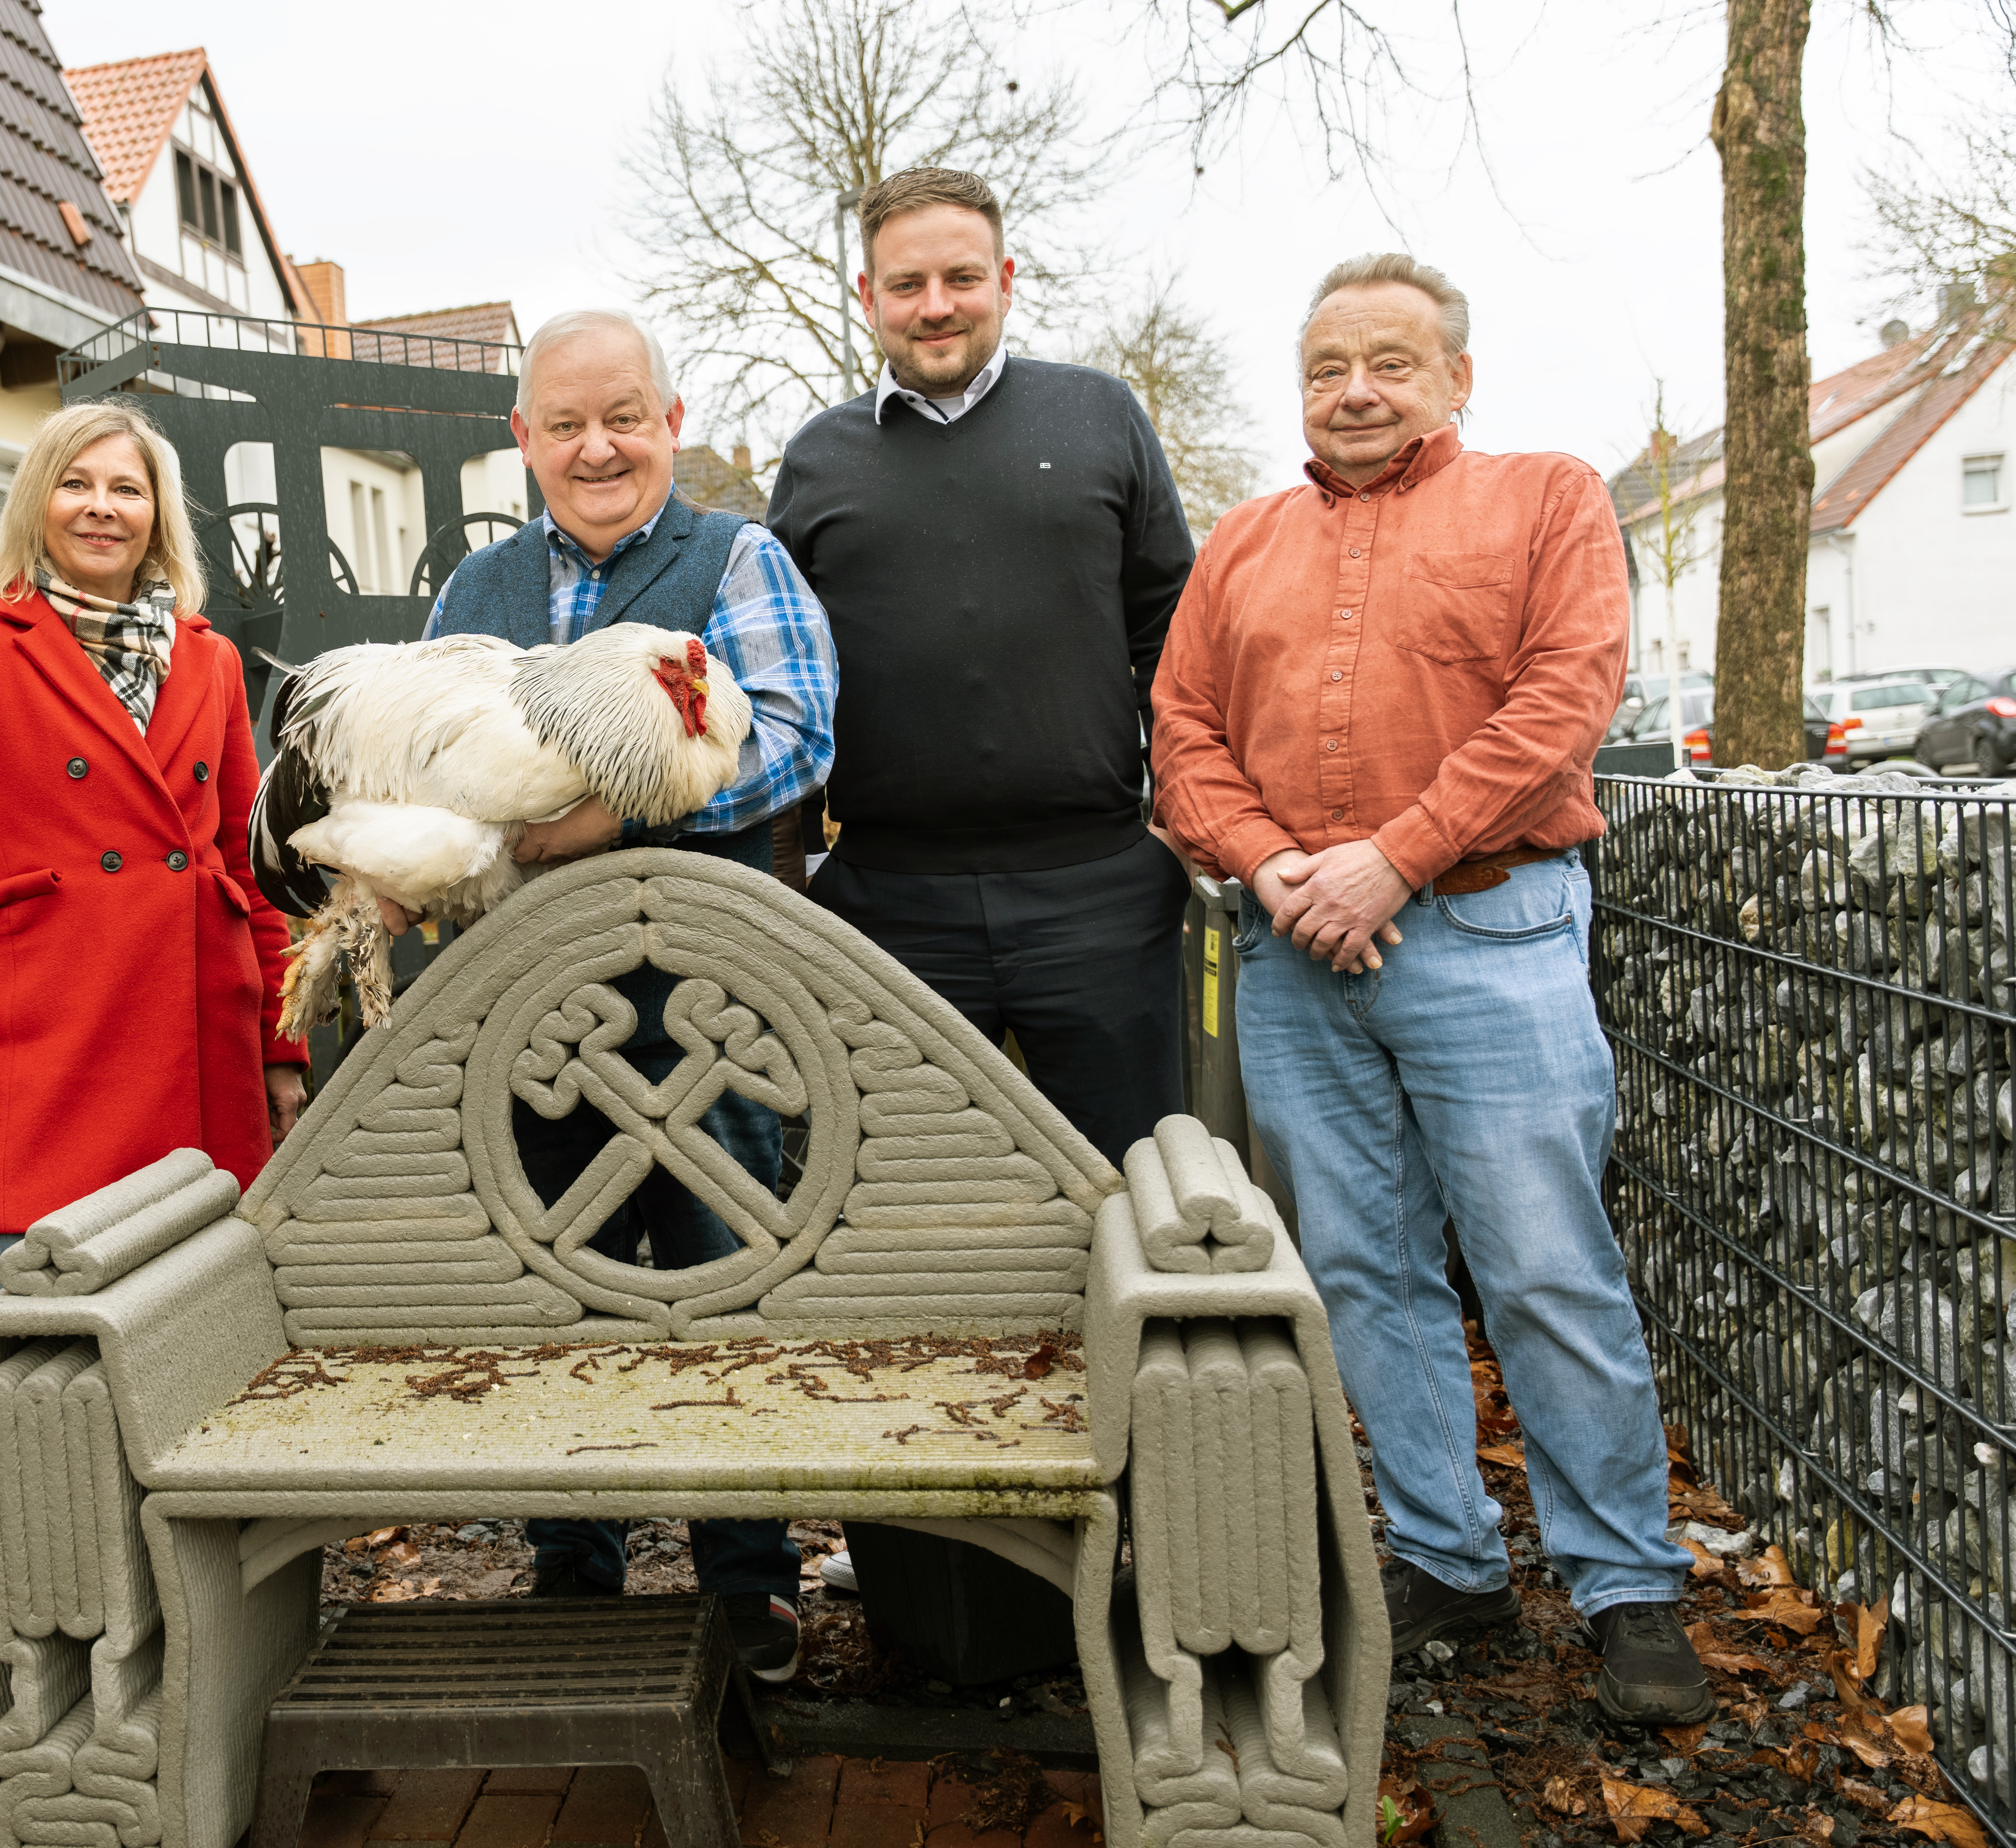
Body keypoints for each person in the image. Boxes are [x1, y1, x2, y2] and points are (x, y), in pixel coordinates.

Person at [1148, 253, 1709, 1725]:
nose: (1353, 388)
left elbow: (1562, 701)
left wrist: (1386, 860)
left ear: (1455, 377)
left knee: (1539, 1265)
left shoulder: (1543, 499)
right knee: (1362, 1277)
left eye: (1388, 361)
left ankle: (1623, 1584)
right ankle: (1447, 1560)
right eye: (1327, 363)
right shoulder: (1244, 541)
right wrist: (1277, 873)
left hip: (1484, 930)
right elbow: (1182, 732)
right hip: (1290, 956)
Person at [0, 401, 309, 1779]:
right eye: (78, 484)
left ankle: (188, 1681)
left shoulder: (210, 657)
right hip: (37, 1052)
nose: (104, 507)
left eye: (128, 488)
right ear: (38, 503)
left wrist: (284, 1039)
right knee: (20, 1385)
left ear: (157, 512)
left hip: (195, 1043)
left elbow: (254, 869)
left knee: (188, 1373)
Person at [422, 307, 837, 1681]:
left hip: (709, 999)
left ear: (671, 422)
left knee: (719, 1266)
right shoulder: (471, 590)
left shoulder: (733, 558)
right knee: (551, 1279)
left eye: (621, 418)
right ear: (521, 438)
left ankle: (745, 1581)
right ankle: (575, 1572)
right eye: (562, 424)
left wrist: (609, 816)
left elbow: (790, 738)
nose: (594, 448)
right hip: (528, 1011)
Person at [765, 168, 1197, 1169]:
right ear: (867, 298)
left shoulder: (1102, 417)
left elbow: (1174, 636)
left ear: (1005, 278)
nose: (936, 306)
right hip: (889, 907)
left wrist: (1176, 823)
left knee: (1129, 1194)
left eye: (961, 277)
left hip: (1099, 891)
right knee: (911, 1207)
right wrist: (793, 887)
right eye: (906, 284)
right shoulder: (817, 459)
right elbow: (783, 681)